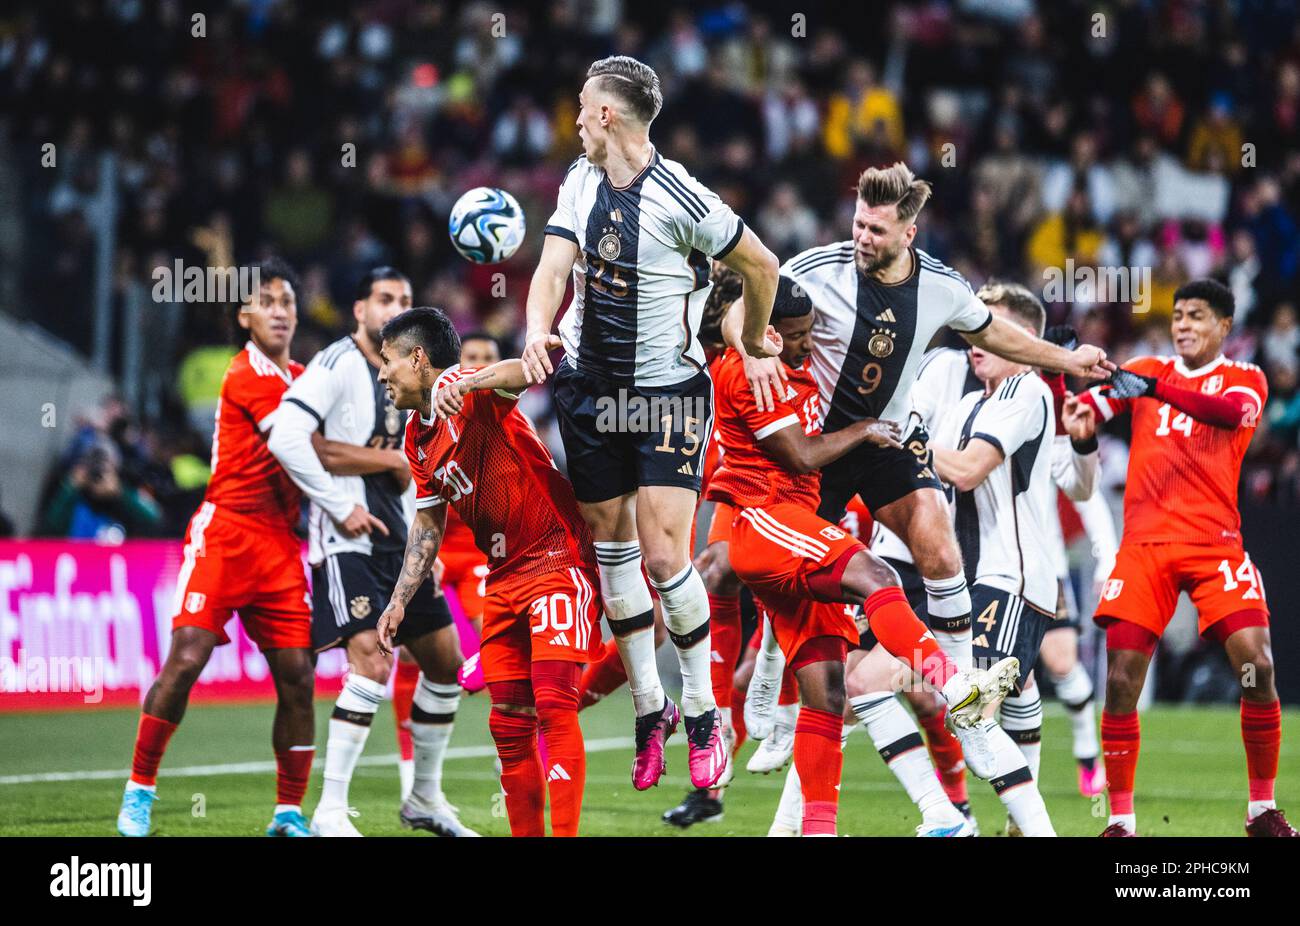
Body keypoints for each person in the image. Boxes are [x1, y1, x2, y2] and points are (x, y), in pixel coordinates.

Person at [730, 162, 1112, 692]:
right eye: (858, 224)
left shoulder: (941, 287)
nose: (862, 237)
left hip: (884, 438)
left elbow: (999, 335)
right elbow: (742, 300)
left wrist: (1066, 362)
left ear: (908, 233)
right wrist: (750, 348)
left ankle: (957, 687)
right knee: (767, 577)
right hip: (819, 443)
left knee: (935, 532)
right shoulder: (817, 268)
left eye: (876, 230)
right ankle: (769, 681)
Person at [518, 54, 781, 791]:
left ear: (607, 113)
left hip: (665, 395)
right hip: (589, 392)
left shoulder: (683, 196)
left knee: (666, 561)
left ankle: (701, 711)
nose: (573, 120)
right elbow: (550, 270)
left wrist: (755, 336)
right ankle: (647, 707)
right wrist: (538, 328)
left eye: (580, 106)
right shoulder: (579, 181)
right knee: (612, 551)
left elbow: (762, 264)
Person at [708, 275, 1020, 836]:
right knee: (874, 576)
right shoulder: (748, 372)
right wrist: (865, 429)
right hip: (768, 519)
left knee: (828, 693)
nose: (809, 344)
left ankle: (813, 829)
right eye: (799, 335)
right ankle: (955, 688)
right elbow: (802, 456)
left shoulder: (788, 365)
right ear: (770, 333)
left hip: (791, 524)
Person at [1078, 279, 1297, 837]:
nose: (1182, 325)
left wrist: (1154, 388)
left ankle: (1260, 811)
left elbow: (1224, 415)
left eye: (1196, 316)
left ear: (1224, 326)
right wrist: (1077, 400)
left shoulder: (1244, 379)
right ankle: (1120, 822)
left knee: (1258, 668)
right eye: (1177, 316)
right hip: (1146, 546)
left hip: (1213, 544)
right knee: (1122, 679)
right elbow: (1093, 403)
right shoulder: (1151, 366)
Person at [377, 307, 603, 837]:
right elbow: (428, 522)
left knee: (552, 702)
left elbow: (530, 369)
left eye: (388, 362)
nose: (382, 374)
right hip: (502, 576)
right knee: (508, 724)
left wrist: (472, 379)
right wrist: (398, 600)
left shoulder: (462, 386)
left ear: (418, 358)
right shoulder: (416, 437)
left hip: (555, 557)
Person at [116, 259, 317, 838]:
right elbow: (304, 447)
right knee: (185, 660)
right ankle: (139, 792)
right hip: (226, 533)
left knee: (298, 677)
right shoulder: (242, 375)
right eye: (268, 302)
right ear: (245, 317)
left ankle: (287, 811)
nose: (280, 311)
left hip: (279, 543)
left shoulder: (303, 377)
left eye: (287, 301)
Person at [268, 268, 471, 837]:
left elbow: (414, 468)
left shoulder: (409, 375)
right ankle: (331, 810)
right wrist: (335, 504)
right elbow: (286, 435)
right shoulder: (335, 364)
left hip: (401, 540)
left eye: (405, 299)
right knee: (372, 661)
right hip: (349, 541)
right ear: (358, 309)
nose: (395, 306)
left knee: (444, 665)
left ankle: (425, 798)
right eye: (385, 298)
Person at [929, 282, 1103, 836]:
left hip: (1009, 579)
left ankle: (980, 821)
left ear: (1023, 340)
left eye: (991, 329)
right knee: (1011, 689)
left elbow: (966, 470)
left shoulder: (1026, 391)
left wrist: (901, 437)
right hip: (969, 578)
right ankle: (1011, 823)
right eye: (975, 328)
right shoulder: (964, 404)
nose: (976, 339)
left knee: (968, 707)